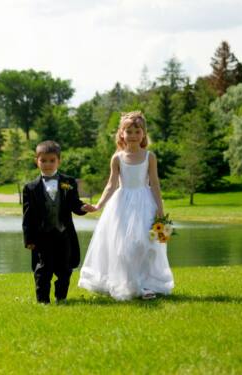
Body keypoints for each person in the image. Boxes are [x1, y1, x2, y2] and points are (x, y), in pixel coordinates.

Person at [79, 111, 174, 301]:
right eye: (128, 131)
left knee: (146, 245)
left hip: (145, 203)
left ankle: (145, 284)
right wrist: (98, 206)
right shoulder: (117, 158)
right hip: (122, 205)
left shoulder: (150, 157)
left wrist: (160, 209)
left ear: (143, 134)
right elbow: (111, 184)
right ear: (121, 134)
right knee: (124, 246)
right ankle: (130, 285)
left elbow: (155, 183)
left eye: (137, 131)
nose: (132, 135)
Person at [23, 140, 89, 304]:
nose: (47, 164)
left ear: (59, 160)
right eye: (43, 160)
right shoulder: (30, 188)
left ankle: (61, 297)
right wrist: (29, 239)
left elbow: (75, 204)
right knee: (43, 269)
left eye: (52, 160)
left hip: (63, 233)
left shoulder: (69, 182)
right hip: (41, 236)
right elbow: (28, 215)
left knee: (65, 268)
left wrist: (83, 207)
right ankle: (43, 300)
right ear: (36, 161)